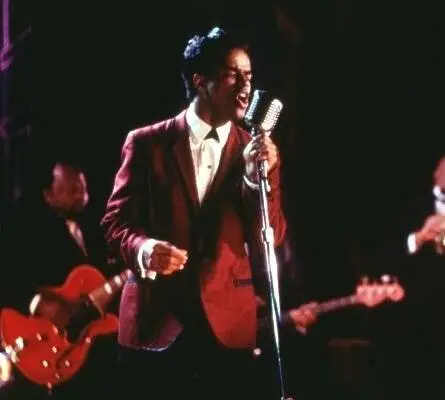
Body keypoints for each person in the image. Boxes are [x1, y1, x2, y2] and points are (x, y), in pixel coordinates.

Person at [101, 26, 290, 399]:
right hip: (155, 324)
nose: (245, 87)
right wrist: (143, 249)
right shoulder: (146, 144)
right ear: (200, 81)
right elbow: (114, 224)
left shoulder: (258, 151)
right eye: (232, 75)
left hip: (227, 329)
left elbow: (273, 236)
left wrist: (256, 180)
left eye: (249, 76)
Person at [0, 157, 117, 399]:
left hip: (86, 352)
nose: (81, 197)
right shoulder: (23, 227)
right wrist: (40, 305)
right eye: (71, 191)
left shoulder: (96, 227)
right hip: (36, 347)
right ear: (48, 195)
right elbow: (7, 277)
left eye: (83, 189)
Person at [369, 155, 445, 397]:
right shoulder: (411, 206)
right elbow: (385, 253)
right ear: (436, 172)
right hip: (418, 312)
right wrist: (420, 237)